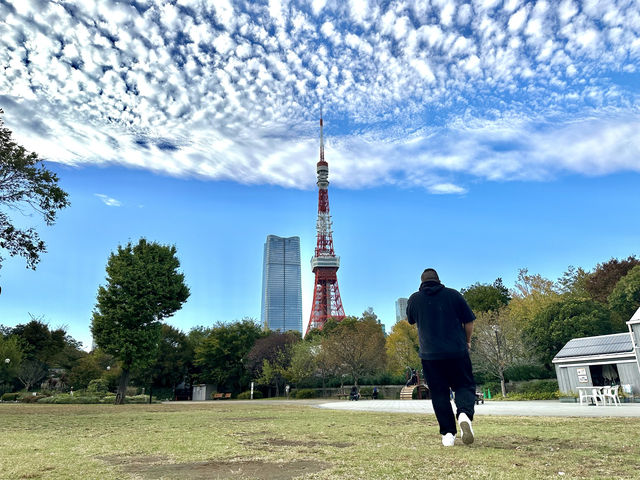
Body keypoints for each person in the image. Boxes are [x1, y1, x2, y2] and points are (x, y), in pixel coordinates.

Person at [406, 268, 476, 447]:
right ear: (439, 280)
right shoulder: (454, 295)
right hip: (457, 351)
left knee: (439, 394)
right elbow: (469, 321)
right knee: (464, 385)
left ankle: (448, 434)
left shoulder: (414, 299)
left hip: (430, 355)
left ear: (421, 282)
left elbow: (411, 319)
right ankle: (464, 415)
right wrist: (467, 341)